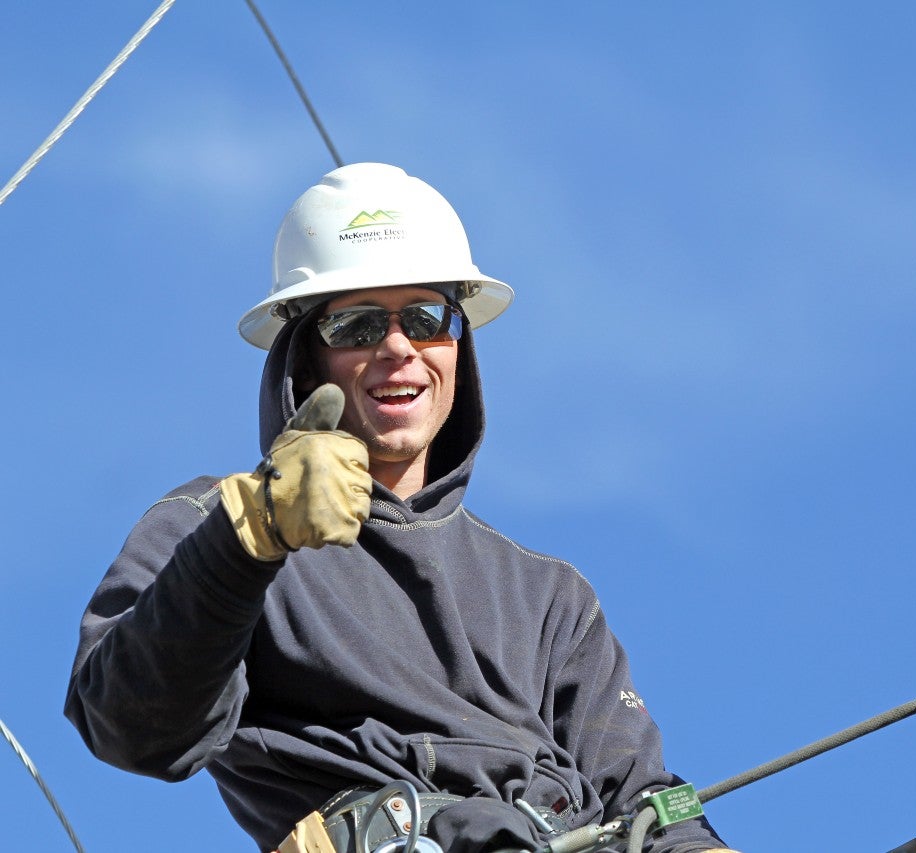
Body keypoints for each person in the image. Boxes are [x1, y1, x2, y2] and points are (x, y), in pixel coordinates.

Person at [65, 163, 739, 853]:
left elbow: (648, 796)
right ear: (305, 357)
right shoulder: (219, 524)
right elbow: (130, 724)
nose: (397, 347)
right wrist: (251, 537)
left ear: (458, 344)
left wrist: (695, 842)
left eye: (425, 318)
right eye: (356, 324)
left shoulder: (547, 597)